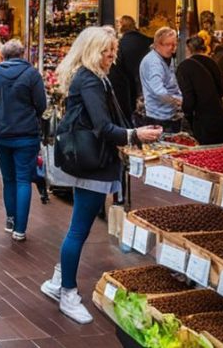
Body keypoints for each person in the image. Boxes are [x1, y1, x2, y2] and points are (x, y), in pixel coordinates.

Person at [41, 27, 162, 324]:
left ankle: (59, 279)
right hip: (92, 163)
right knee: (79, 229)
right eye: (107, 50)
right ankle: (68, 293)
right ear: (93, 50)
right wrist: (135, 135)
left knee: (79, 226)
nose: (112, 55)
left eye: (113, 50)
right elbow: (103, 128)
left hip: (93, 161)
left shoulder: (94, 76)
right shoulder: (91, 79)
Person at [0, 39, 47, 241]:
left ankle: (10, 220)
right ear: (23, 54)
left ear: (3, 55)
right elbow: (41, 105)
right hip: (27, 134)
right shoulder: (32, 74)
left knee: (8, 179)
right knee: (23, 180)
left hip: (2, 133)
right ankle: (20, 229)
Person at [176, 36, 223, 144]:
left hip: (201, 122)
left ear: (188, 49)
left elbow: (188, 99)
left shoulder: (185, 66)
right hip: (219, 117)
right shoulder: (212, 63)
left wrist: (185, 111)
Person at [139, 27, 183, 132]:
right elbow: (158, 91)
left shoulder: (167, 57)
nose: (173, 49)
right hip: (158, 116)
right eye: (168, 45)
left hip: (168, 113)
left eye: (174, 44)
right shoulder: (153, 62)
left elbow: (172, 83)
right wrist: (177, 101)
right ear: (157, 44)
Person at [116, 16, 151, 120]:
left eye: (118, 24)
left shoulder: (120, 44)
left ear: (122, 25)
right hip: (146, 83)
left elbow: (119, 66)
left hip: (128, 86)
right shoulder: (147, 41)